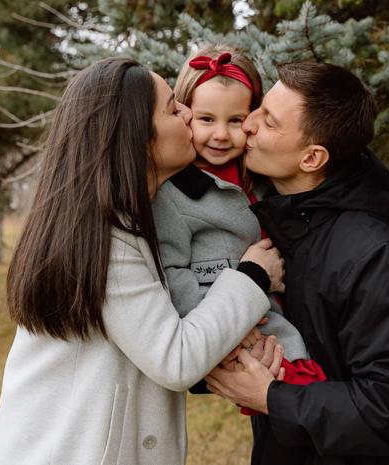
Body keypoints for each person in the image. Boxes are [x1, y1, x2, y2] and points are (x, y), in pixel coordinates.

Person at [0, 56, 286, 465]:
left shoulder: (129, 219)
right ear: (139, 138)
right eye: (173, 108)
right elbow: (176, 358)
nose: (187, 114)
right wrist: (253, 276)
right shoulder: (105, 241)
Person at [204, 61, 389, 464]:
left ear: (312, 158)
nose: (247, 124)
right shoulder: (273, 227)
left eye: (268, 122)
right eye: (259, 108)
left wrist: (272, 397)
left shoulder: (379, 257)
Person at [152, 44, 325, 408]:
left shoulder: (260, 177)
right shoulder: (177, 193)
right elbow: (171, 271)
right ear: (185, 115)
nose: (220, 135)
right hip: (228, 321)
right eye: (206, 119)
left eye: (235, 121)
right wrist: (215, 326)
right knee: (296, 386)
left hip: (276, 305)